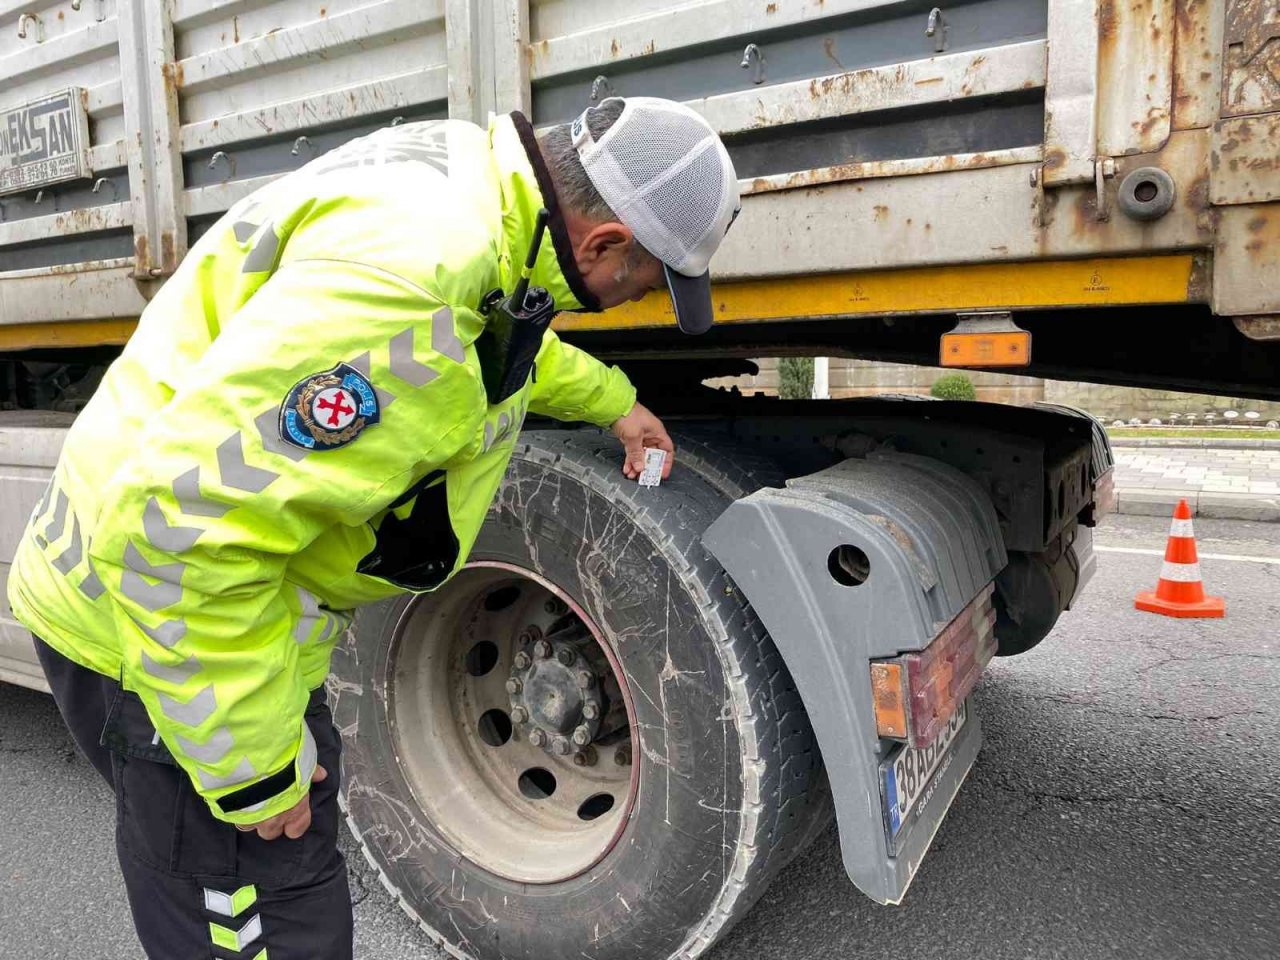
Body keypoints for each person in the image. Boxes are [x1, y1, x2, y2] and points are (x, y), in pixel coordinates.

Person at [7, 95, 739, 959]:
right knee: (274, 926)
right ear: (604, 242)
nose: (638, 299)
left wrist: (615, 402)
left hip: (209, 620)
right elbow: (173, 533)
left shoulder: (475, 191)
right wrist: (255, 770)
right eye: (648, 281)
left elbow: (497, 343)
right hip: (163, 641)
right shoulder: (406, 298)